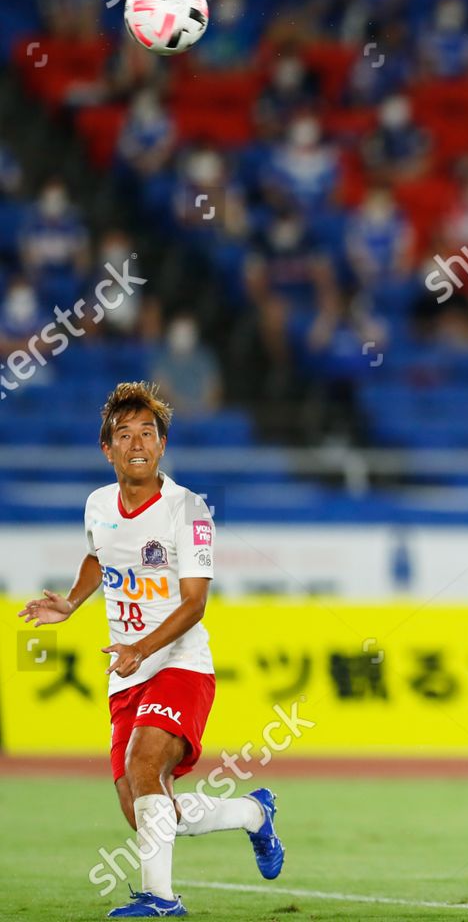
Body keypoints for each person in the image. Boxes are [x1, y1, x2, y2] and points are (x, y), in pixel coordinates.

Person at [17, 382, 284, 918]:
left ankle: (161, 900)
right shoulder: (98, 504)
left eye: (147, 432)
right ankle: (253, 816)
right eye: (124, 433)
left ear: (162, 445)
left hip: (181, 663)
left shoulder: (189, 510)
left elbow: (194, 604)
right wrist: (71, 603)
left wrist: (141, 646)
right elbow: (98, 554)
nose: (136, 442)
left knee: (145, 766)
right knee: (146, 811)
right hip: (127, 673)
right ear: (107, 448)